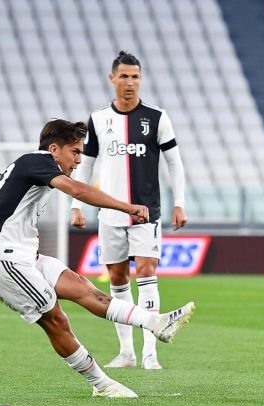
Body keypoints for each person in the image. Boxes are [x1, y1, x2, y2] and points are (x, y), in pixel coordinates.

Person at [0, 119, 195, 398]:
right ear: (54, 150)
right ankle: (102, 385)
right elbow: (77, 190)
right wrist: (127, 207)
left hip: (21, 255)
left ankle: (156, 323)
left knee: (83, 287)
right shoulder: (37, 161)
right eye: (75, 152)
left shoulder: (30, 166)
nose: (78, 160)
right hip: (2, 259)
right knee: (55, 320)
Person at [70, 51, 188, 370]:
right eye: (124, 76)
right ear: (112, 79)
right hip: (109, 215)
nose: (130, 82)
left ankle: (150, 352)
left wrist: (179, 202)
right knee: (117, 278)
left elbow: (174, 163)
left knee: (147, 272)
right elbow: (86, 165)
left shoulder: (157, 117)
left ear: (141, 79)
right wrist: (76, 204)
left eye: (135, 76)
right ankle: (126, 352)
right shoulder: (98, 119)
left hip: (146, 212)